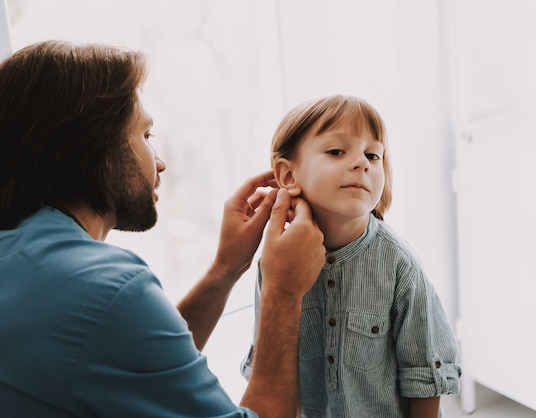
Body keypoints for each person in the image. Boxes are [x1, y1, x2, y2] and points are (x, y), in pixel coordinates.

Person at [0, 40, 326, 418]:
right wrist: (283, 291)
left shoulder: (29, 264)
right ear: (95, 147)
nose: (160, 162)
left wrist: (224, 270)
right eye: (146, 135)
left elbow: (130, 357)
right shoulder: (106, 288)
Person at [241, 95, 462, 417]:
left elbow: (426, 375)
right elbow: (267, 358)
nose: (362, 163)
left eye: (373, 155)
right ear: (288, 175)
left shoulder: (399, 265)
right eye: (336, 151)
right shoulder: (275, 261)